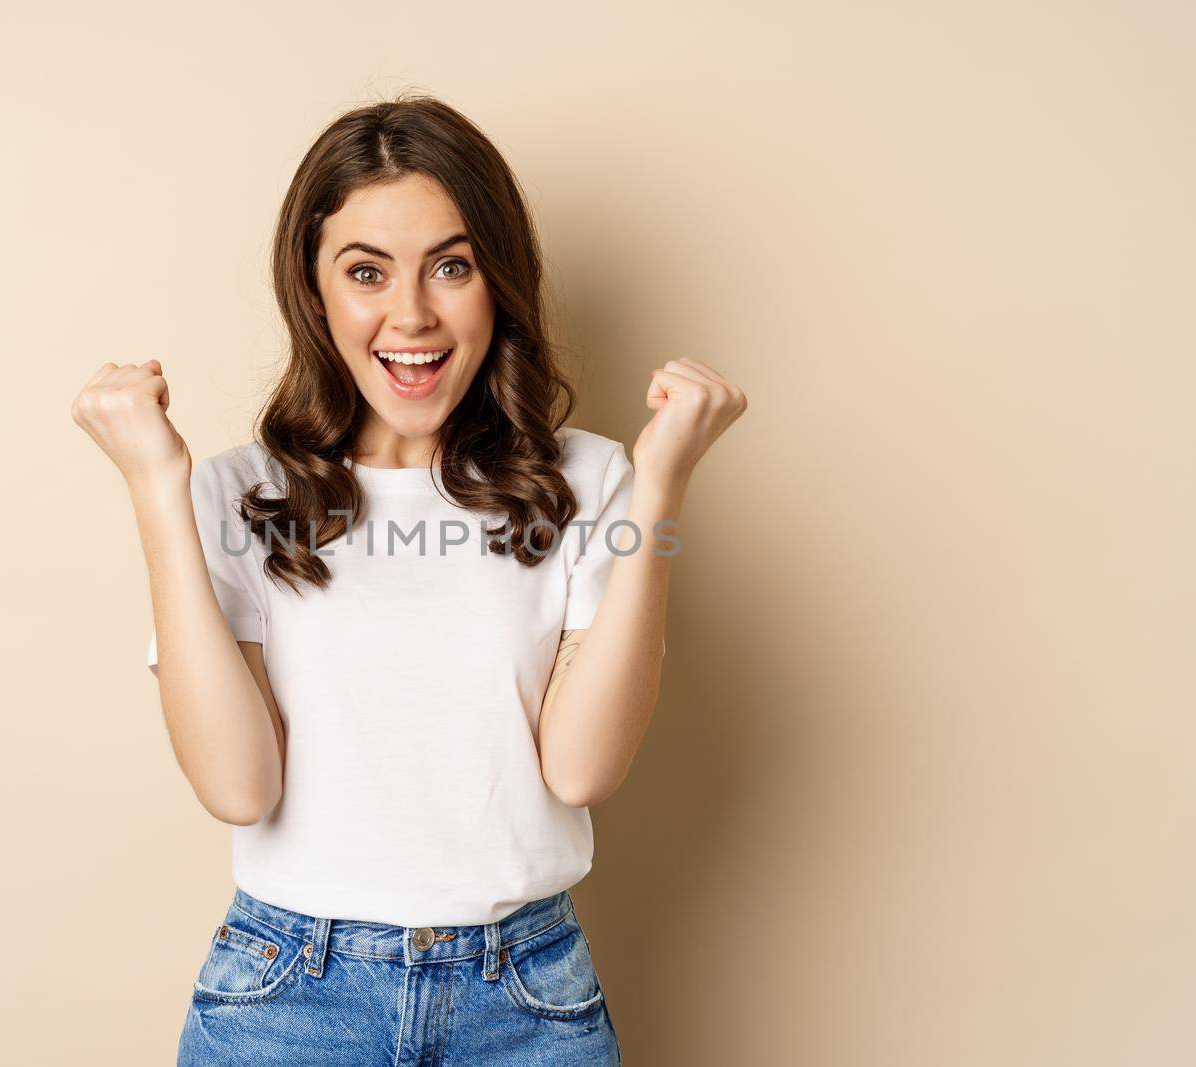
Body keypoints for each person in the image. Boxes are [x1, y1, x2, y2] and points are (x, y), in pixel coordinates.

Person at [71, 94, 746, 1066]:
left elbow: (580, 769)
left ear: (497, 282)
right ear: (314, 293)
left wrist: (664, 481)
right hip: (286, 995)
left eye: (451, 266)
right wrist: (157, 489)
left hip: (523, 998)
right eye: (365, 272)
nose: (412, 315)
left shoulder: (590, 479)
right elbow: (236, 783)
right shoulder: (236, 492)